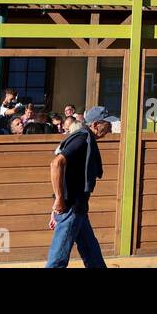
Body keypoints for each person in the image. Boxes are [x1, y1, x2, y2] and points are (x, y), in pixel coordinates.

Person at [45, 106, 114, 269]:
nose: (110, 128)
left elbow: (68, 173)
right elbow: (56, 163)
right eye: (107, 124)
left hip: (78, 207)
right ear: (96, 124)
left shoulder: (85, 138)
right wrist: (59, 200)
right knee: (58, 259)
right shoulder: (82, 139)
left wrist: (56, 204)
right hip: (71, 207)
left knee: (92, 254)